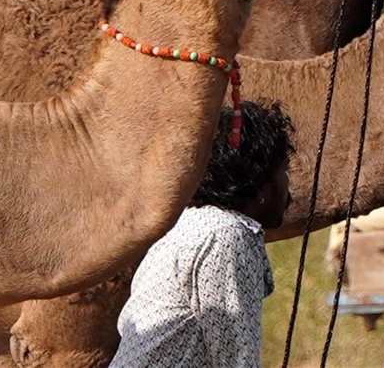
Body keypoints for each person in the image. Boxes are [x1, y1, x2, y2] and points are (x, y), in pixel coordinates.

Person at [110, 100, 294, 368]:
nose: (289, 185)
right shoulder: (225, 237)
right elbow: (236, 360)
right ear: (261, 187)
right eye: (284, 171)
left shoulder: (186, 224)